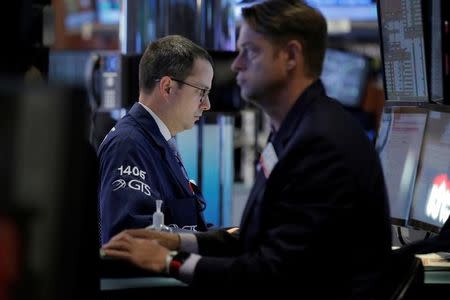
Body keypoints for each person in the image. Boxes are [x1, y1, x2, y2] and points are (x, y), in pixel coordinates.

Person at [101, 1, 393, 297]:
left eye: (249, 51)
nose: (237, 63)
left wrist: (171, 261)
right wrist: (178, 243)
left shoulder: (319, 144)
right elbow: (260, 242)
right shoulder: (293, 133)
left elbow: (272, 273)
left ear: (291, 55)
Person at [98, 35, 214, 244]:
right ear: (167, 87)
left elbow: (181, 224)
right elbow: (129, 238)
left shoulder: (158, 142)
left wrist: (224, 237)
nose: (207, 105)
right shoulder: (128, 145)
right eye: (201, 92)